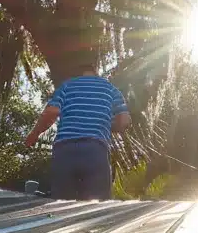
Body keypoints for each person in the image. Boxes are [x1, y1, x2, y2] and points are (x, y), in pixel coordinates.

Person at [25, 65, 131, 199]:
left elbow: (51, 112)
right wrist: (106, 125)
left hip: (64, 150)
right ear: (95, 73)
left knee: (61, 203)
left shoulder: (67, 85)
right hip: (95, 150)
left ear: (78, 74)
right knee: (95, 205)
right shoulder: (110, 89)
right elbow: (124, 120)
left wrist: (34, 135)